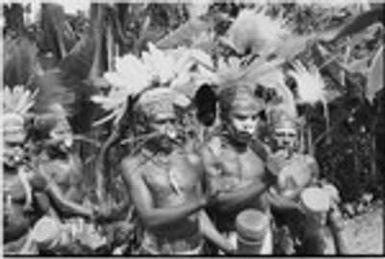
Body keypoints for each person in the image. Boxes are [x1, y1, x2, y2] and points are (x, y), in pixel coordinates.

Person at [120, 87, 232, 255]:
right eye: (161, 122)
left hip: (195, 250)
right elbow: (150, 218)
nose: (169, 129)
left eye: (172, 121)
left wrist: (227, 246)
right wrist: (201, 201)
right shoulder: (133, 165)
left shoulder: (191, 159)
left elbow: (197, 213)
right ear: (143, 126)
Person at [200, 85, 278, 254]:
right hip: (230, 239)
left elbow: (267, 197)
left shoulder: (260, 149)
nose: (248, 125)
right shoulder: (213, 152)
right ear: (225, 118)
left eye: (253, 118)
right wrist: (266, 182)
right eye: (241, 118)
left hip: (263, 234)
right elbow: (219, 204)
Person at [266, 110, 347, 255]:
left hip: (307, 217)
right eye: (280, 134)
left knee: (332, 211)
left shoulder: (307, 162)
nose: (285, 140)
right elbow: (272, 200)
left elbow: (315, 191)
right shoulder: (267, 165)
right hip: (281, 219)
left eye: (290, 135)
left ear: (296, 138)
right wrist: (299, 198)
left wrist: (327, 192)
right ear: (271, 137)